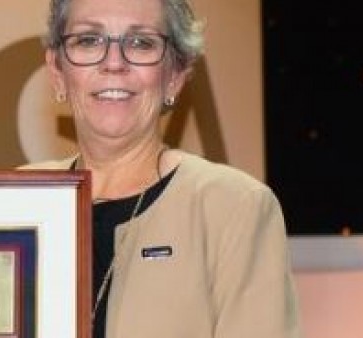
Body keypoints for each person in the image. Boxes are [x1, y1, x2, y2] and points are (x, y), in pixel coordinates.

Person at [22, 0, 301, 337]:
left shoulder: (233, 207)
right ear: (57, 70)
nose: (114, 63)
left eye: (141, 43)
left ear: (175, 75)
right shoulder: (21, 200)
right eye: (88, 40)